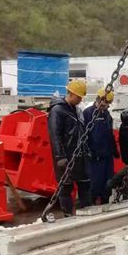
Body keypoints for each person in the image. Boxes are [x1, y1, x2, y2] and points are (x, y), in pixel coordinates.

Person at [47, 79, 91, 215]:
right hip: (65, 157)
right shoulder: (57, 110)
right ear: (71, 93)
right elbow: (55, 134)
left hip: (79, 156)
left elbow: (82, 133)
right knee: (65, 188)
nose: (80, 100)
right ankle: (68, 215)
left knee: (85, 184)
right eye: (78, 97)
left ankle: (87, 212)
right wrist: (60, 156)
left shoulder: (77, 111)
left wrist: (86, 150)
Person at [83, 88, 119, 205]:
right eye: (104, 102)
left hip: (107, 156)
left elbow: (110, 134)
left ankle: (104, 202)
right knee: (95, 184)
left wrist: (114, 149)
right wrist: (87, 151)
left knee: (108, 183)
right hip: (95, 157)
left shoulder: (107, 114)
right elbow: (83, 135)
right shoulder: (88, 113)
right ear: (98, 99)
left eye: (108, 104)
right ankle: (93, 203)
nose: (105, 105)